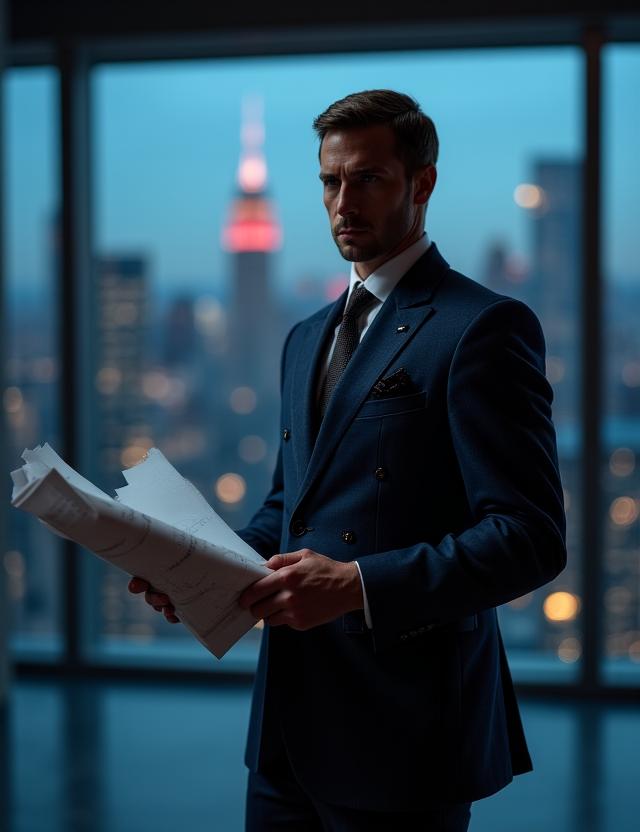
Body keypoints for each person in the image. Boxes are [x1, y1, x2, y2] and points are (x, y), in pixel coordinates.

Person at [129, 89, 566, 831]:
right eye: (331, 181)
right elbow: (289, 506)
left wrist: (360, 585)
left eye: (368, 178)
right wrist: (202, 567)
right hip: (288, 724)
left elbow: (530, 538)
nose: (342, 201)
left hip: (405, 724)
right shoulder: (304, 337)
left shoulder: (482, 327)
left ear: (422, 184)